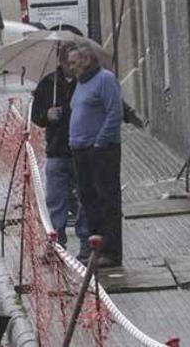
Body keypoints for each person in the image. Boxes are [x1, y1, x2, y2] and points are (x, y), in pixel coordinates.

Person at [67, 43, 124, 268]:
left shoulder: (105, 80)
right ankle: (95, 246)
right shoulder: (80, 84)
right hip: (80, 151)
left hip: (100, 150)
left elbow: (114, 113)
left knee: (106, 200)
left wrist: (101, 142)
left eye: (73, 62)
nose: (70, 67)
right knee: (88, 200)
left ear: (87, 60)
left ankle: (111, 251)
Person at [30, 45, 89, 260]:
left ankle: (85, 243)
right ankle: (57, 242)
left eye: (76, 63)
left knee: (84, 198)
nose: (73, 68)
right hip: (57, 150)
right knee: (56, 200)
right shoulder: (48, 84)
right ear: (62, 63)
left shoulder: (85, 83)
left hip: (81, 151)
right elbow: (36, 116)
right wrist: (47, 115)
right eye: (69, 64)